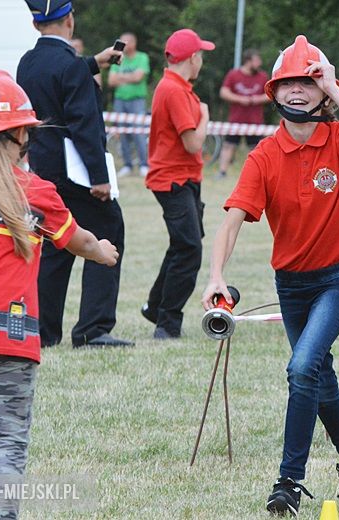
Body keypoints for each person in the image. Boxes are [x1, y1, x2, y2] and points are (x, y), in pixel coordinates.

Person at [202, 35, 339, 517]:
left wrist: (335, 88)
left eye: (308, 82)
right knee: (318, 374)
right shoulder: (263, 155)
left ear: (324, 92)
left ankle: (289, 481)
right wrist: (216, 275)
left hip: (338, 279)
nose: (297, 91)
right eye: (288, 83)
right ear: (274, 92)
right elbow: (232, 221)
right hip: (292, 285)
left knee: (302, 368)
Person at [0, 70, 119, 519]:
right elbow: (77, 241)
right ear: (20, 134)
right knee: (7, 443)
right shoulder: (35, 192)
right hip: (8, 329)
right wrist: (103, 252)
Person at [18, 0, 133, 348]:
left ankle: (43, 330)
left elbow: (56, 78)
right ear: (69, 19)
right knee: (108, 231)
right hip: (76, 173)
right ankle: (93, 329)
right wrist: (100, 177)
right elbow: (84, 124)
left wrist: (94, 63)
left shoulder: (28, 62)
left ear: (36, 25)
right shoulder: (70, 65)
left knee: (57, 242)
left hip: (44, 167)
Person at [141, 28, 214, 340]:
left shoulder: (175, 87)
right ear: (192, 58)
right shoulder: (174, 90)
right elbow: (193, 143)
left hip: (181, 178)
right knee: (189, 250)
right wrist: (206, 117)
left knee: (183, 245)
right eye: (201, 56)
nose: (201, 62)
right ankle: (168, 323)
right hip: (174, 179)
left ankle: (155, 307)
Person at [217, 48, 270, 178]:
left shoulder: (262, 76)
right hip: (236, 119)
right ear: (248, 61)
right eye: (256, 60)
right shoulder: (233, 75)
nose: (259, 63)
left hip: (255, 121)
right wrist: (240, 99)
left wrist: (256, 99)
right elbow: (223, 92)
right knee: (228, 145)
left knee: (256, 149)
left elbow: (271, 95)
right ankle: (222, 172)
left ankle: (258, 174)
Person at [108, 32, 150, 177]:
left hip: (137, 100)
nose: (124, 45)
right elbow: (111, 81)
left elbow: (139, 77)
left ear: (134, 43)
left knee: (139, 132)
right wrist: (130, 77)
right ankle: (127, 165)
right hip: (120, 100)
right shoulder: (118, 58)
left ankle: (144, 164)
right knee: (122, 133)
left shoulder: (142, 57)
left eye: (127, 42)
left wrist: (120, 77)